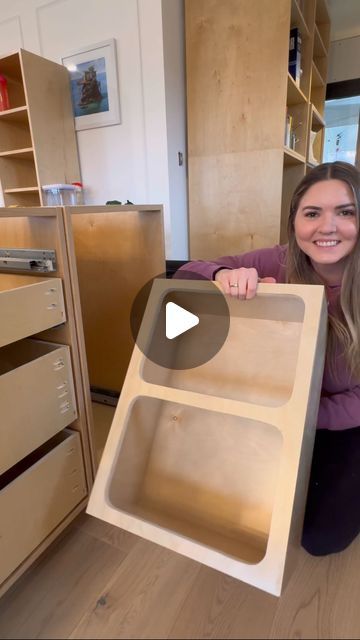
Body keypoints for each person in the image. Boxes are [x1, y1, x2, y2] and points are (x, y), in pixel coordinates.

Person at [176, 161, 360, 556]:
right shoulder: (280, 261)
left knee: (320, 538)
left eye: (345, 212)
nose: (327, 227)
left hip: (341, 419)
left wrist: (308, 417)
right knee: (238, 505)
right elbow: (185, 275)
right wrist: (223, 276)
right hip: (280, 406)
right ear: (294, 221)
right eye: (312, 213)